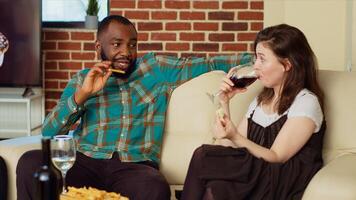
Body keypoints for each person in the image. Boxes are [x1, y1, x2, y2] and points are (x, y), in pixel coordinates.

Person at [16, 15, 252, 200]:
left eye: (132, 45)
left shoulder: (155, 68)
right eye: (117, 44)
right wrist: (83, 95)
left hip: (135, 167)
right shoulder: (82, 79)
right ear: (98, 46)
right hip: (85, 161)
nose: (126, 53)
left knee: (154, 187)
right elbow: (48, 132)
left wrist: (259, 62)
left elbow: (209, 63)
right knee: (31, 162)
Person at [181, 24, 326, 200]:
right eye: (256, 58)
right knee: (216, 188)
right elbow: (229, 146)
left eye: (262, 59)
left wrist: (234, 135)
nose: (255, 66)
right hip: (255, 174)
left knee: (203, 155)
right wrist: (224, 102)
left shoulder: (306, 102)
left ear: (286, 64)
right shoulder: (260, 100)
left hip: (279, 181)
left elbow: (276, 157)